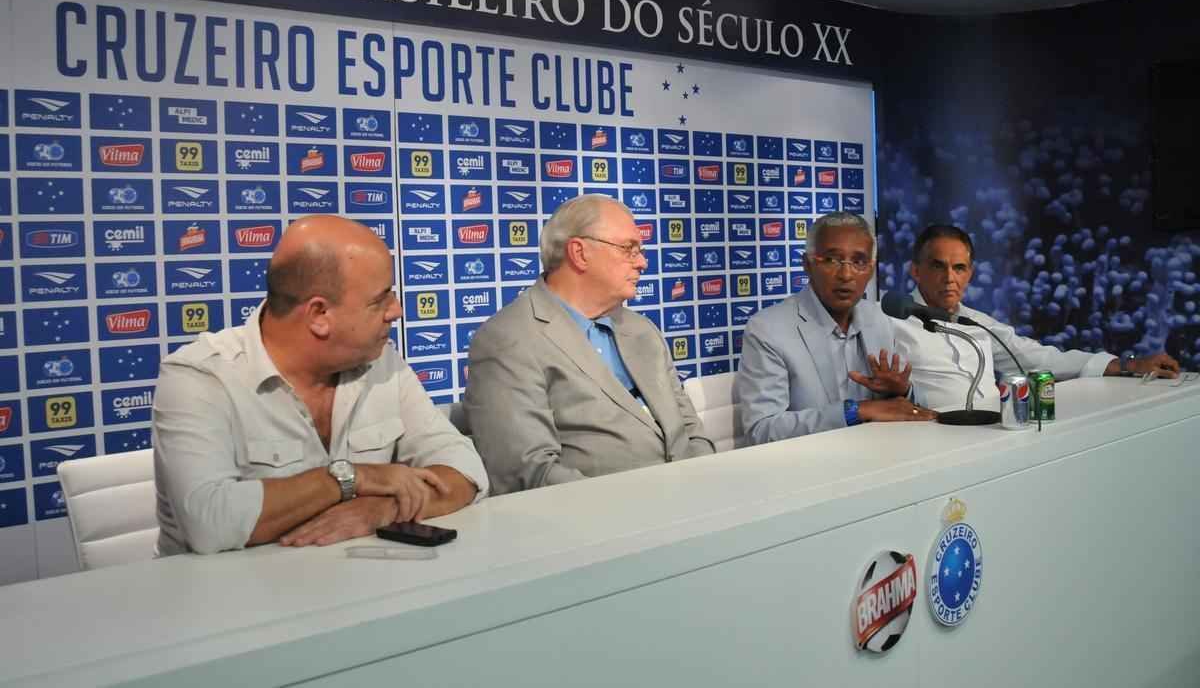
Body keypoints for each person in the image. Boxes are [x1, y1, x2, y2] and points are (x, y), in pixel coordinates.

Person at [152, 215, 487, 555]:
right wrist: (352, 478)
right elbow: (211, 523)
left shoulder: (381, 362)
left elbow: (466, 470)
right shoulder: (199, 377)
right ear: (319, 315)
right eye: (380, 299)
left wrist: (384, 510)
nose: (396, 311)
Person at [464, 194, 714, 494]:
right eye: (628, 249)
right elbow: (528, 471)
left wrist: (702, 484)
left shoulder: (643, 330)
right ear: (579, 253)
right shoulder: (508, 339)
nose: (643, 262)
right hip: (601, 524)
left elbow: (690, 429)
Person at [897, 224, 1180, 412]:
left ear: (970, 274)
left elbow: (1039, 358)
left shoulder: (976, 322)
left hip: (990, 438)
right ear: (915, 271)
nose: (949, 278)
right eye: (938, 266)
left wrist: (1129, 365)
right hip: (930, 443)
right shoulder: (891, 321)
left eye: (959, 268)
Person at [736, 212, 936, 444]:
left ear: (871, 270)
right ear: (807, 265)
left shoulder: (879, 318)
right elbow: (762, 430)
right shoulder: (768, 329)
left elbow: (910, 410)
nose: (846, 274)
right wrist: (856, 411)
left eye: (859, 261)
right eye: (831, 260)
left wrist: (901, 391)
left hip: (877, 456)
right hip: (808, 466)